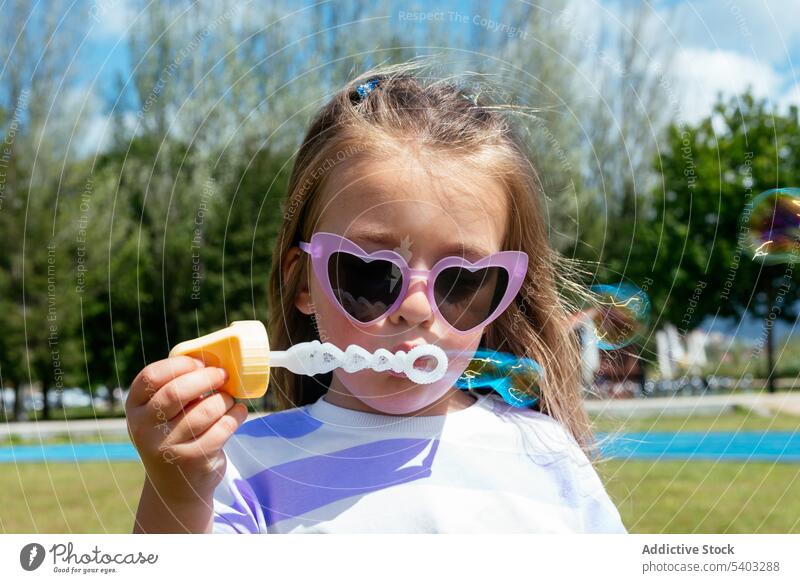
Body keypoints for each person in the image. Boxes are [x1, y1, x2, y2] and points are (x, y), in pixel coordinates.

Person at [126, 64, 627, 534]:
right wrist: (179, 492)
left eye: (462, 282)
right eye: (370, 274)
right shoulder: (241, 466)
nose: (415, 307)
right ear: (303, 284)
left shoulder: (545, 453)